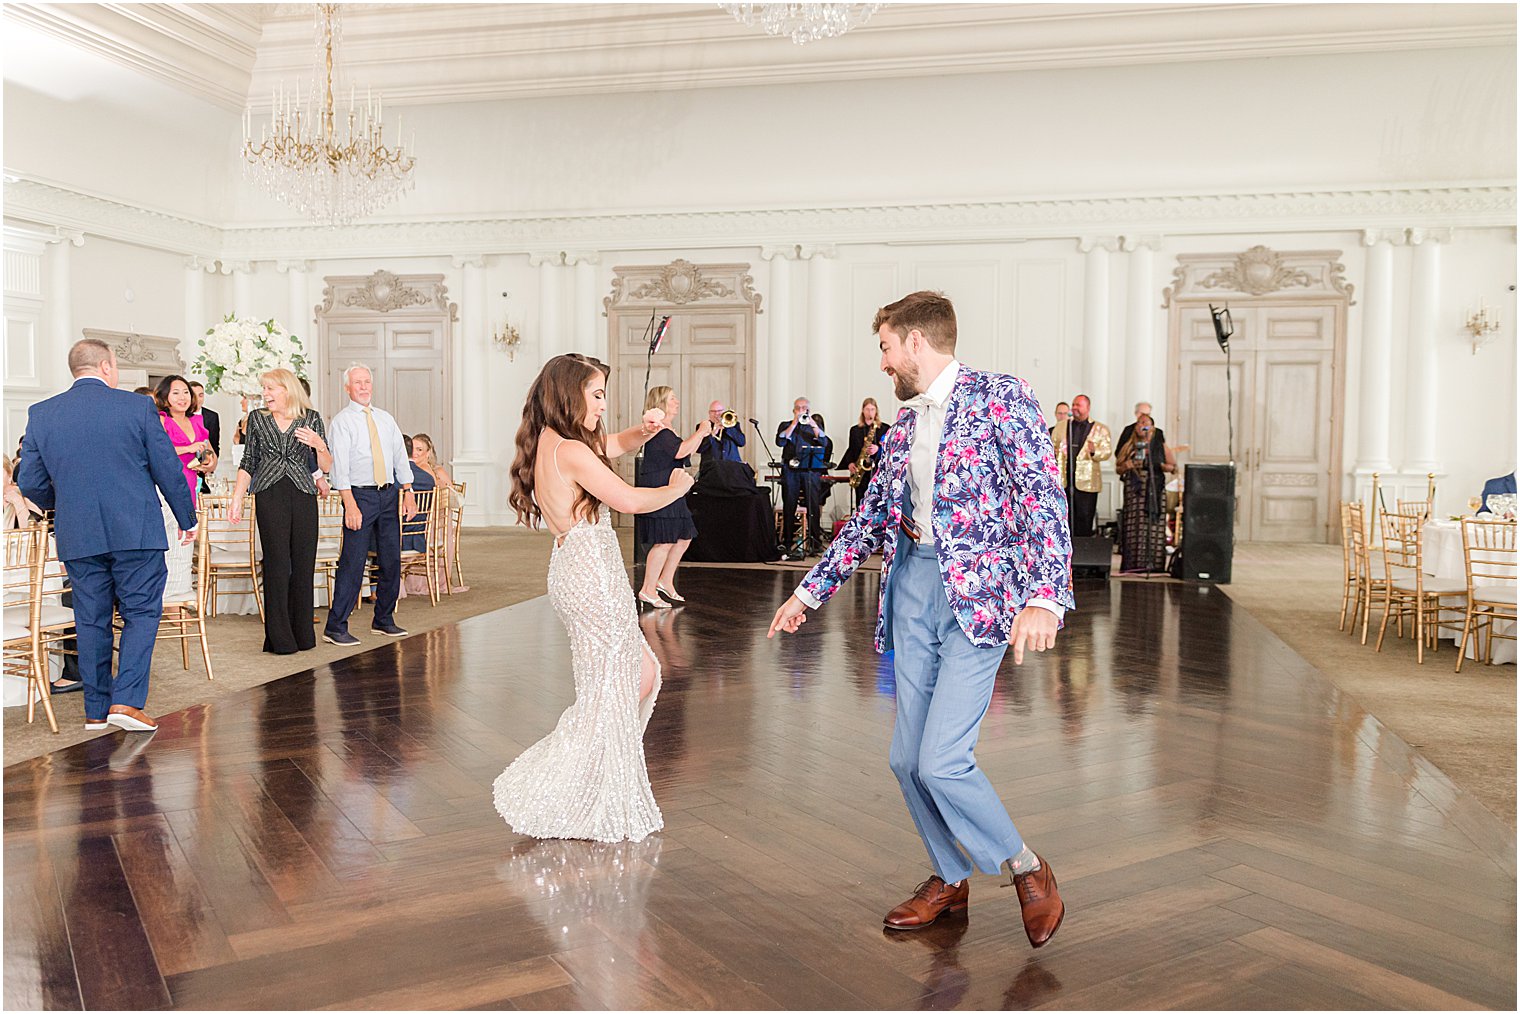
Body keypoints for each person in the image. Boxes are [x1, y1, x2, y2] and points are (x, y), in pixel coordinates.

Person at [768, 291, 1071, 947]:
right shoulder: (902, 429)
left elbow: (1042, 494)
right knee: (907, 759)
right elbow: (870, 522)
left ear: (914, 343)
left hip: (980, 598)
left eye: (884, 347)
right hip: (911, 590)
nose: (881, 364)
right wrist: (808, 594)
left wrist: (1046, 595)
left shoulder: (1001, 396)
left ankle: (1025, 866)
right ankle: (947, 877)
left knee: (942, 760)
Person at [494, 352, 692, 842]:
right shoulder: (571, 451)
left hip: (578, 570)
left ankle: (591, 774)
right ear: (570, 394)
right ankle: (569, 783)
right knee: (613, 688)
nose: (603, 404)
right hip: (592, 578)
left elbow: (611, 444)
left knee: (639, 673)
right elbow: (629, 499)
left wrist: (642, 433)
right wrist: (677, 487)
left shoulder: (555, 442)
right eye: (597, 394)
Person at [17, 338, 197, 733]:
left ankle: (96, 710)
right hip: (136, 530)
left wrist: (66, 501)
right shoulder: (137, 407)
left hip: (79, 533)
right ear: (106, 366)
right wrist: (187, 518)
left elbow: (29, 483)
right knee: (141, 612)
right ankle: (127, 702)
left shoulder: (42, 413)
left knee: (90, 619)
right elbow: (166, 467)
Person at [229, 369, 331, 655]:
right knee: (276, 564)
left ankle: (303, 634)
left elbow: (326, 465)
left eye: (271, 388)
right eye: (264, 388)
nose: (266, 394)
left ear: (288, 389)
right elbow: (249, 461)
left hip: (303, 495)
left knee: (303, 564)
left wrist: (319, 445)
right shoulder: (258, 420)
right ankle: (280, 638)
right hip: (269, 494)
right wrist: (237, 498)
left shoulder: (311, 418)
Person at [323, 363, 415, 646]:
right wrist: (349, 504)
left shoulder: (386, 419)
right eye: (357, 382)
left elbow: (400, 456)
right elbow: (340, 469)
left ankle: (383, 620)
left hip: (389, 495)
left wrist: (408, 490)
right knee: (353, 562)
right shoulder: (342, 422)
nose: (363, 386)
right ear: (347, 387)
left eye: (366, 381)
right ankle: (335, 626)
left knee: (391, 560)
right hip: (359, 497)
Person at [636, 386, 708, 607]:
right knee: (664, 541)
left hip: (672, 488)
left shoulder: (669, 430)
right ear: (661, 403)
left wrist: (702, 434)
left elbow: (686, 451)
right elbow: (679, 451)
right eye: (672, 399)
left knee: (683, 536)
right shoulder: (659, 430)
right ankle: (648, 589)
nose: (677, 402)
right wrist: (701, 431)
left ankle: (665, 580)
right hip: (661, 488)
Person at [403, 432, 467, 593]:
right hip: (426, 521)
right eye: (413, 449)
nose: (415, 453)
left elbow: (449, 493)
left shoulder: (426, 472)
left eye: (419, 449)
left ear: (428, 452)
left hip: (434, 524)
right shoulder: (415, 472)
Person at [1114, 413, 1174, 574]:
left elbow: (1172, 466)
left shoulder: (1159, 445)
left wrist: (1161, 465)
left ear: (1153, 428)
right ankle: (1133, 564)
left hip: (1154, 487)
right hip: (1135, 488)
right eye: (1139, 423)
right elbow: (1118, 467)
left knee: (1153, 526)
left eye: (1146, 423)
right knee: (1134, 526)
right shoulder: (1129, 445)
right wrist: (1128, 465)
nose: (1142, 425)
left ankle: (1153, 564)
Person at [777, 397, 830, 559]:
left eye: (804, 408)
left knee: (813, 505)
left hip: (809, 471)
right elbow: (780, 441)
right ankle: (787, 542)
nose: (801, 411)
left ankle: (814, 543)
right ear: (794, 410)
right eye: (798, 408)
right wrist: (794, 422)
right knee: (789, 505)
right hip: (790, 471)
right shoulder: (786, 425)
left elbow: (824, 441)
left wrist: (812, 423)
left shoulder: (813, 427)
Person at [1051, 394, 1111, 538]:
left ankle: (1083, 551)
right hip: (1064, 480)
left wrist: (1094, 451)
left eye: (1079, 405)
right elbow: (1051, 446)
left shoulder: (1100, 429)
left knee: (1084, 517)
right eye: (1074, 404)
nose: (1075, 408)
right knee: (1064, 518)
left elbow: (1107, 452)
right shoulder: (1061, 426)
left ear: (1088, 408)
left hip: (1087, 483)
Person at [154, 374, 216, 507]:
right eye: (176, 393)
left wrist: (209, 463)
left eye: (186, 392)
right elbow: (156, 452)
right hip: (166, 487)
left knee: (189, 526)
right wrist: (188, 449)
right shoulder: (161, 420)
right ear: (164, 396)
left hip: (191, 485)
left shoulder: (197, 421)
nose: (182, 397)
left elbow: (210, 452)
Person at [841, 397, 890, 510]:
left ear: (876, 411)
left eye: (872, 409)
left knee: (878, 500)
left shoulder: (884, 428)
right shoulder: (855, 430)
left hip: (878, 470)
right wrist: (850, 463)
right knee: (861, 500)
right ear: (862, 411)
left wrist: (878, 448)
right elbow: (851, 449)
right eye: (867, 409)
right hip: (861, 471)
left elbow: (889, 448)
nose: (870, 412)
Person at [696, 400, 746, 474]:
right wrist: (713, 433)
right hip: (711, 470)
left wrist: (727, 427)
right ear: (709, 413)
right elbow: (699, 449)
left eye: (719, 411)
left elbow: (741, 442)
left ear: (724, 412)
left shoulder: (734, 425)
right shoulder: (702, 426)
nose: (716, 414)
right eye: (713, 411)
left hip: (732, 468)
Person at [190, 381, 221, 493]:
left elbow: (214, 443)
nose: (198, 399)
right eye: (194, 395)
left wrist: (210, 465)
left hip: (204, 467)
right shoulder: (178, 416)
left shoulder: (212, 416)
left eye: (201, 395)